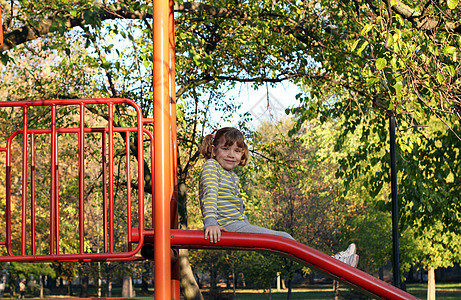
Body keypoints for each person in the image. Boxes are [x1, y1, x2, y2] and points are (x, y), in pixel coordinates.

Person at [199, 127, 359, 267]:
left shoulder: (231, 175)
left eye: (237, 151)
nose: (231, 155)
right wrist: (211, 223)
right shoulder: (212, 166)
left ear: (242, 154)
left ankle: (333, 262)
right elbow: (209, 193)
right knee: (285, 239)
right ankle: (334, 262)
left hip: (236, 224)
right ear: (213, 150)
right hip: (228, 226)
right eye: (225, 149)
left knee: (286, 241)